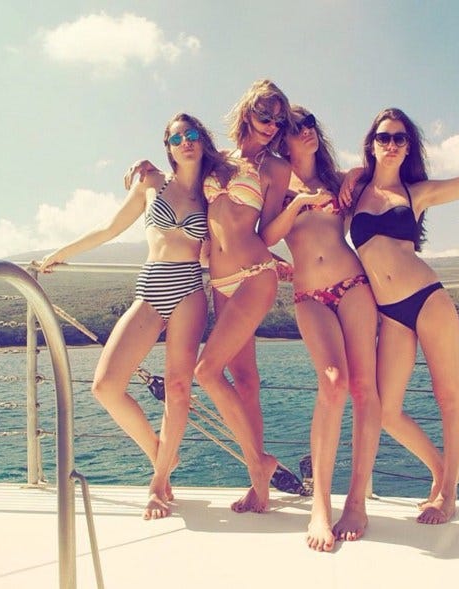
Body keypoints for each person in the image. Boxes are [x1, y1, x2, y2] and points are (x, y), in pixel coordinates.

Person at [38, 113, 224, 520]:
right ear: (168, 147)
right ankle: (162, 457)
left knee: (178, 387)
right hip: (151, 287)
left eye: (192, 135)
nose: (186, 142)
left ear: (202, 142)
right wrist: (60, 254)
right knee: (105, 385)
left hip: (190, 290)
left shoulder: (212, 192)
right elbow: (109, 228)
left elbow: (222, 244)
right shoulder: (151, 183)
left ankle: (158, 483)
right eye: (177, 138)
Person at [125, 79, 293, 514]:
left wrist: (281, 242)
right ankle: (260, 487)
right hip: (219, 282)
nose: (272, 126)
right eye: (264, 116)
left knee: (206, 372)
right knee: (246, 382)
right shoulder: (217, 161)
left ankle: (259, 467)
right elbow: (177, 179)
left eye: (279, 120)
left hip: (255, 272)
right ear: (246, 114)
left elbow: (266, 227)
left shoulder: (275, 168)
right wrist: (144, 167)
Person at [340, 98, 459, 524]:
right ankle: (438, 467)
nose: (391, 144)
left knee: (449, 397)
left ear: (408, 147)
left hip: (429, 301)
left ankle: (447, 493)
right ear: (371, 144)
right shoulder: (353, 192)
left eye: (399, 138)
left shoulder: (418, 193)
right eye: (384, 137)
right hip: (390, 313)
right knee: (387, 410)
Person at [259, 106, 381, 551]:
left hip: (354, 286)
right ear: (281, 138)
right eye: (295, 127)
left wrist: (357, 172)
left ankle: (356, 501)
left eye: (309, 123)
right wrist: (298, 204)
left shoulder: (335, 181)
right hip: (310, 295)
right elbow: (267, 234)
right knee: (334, 384)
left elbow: (380, 170)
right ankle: (320, 506)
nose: (306, 131)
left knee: (365, 390)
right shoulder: (276, 180)